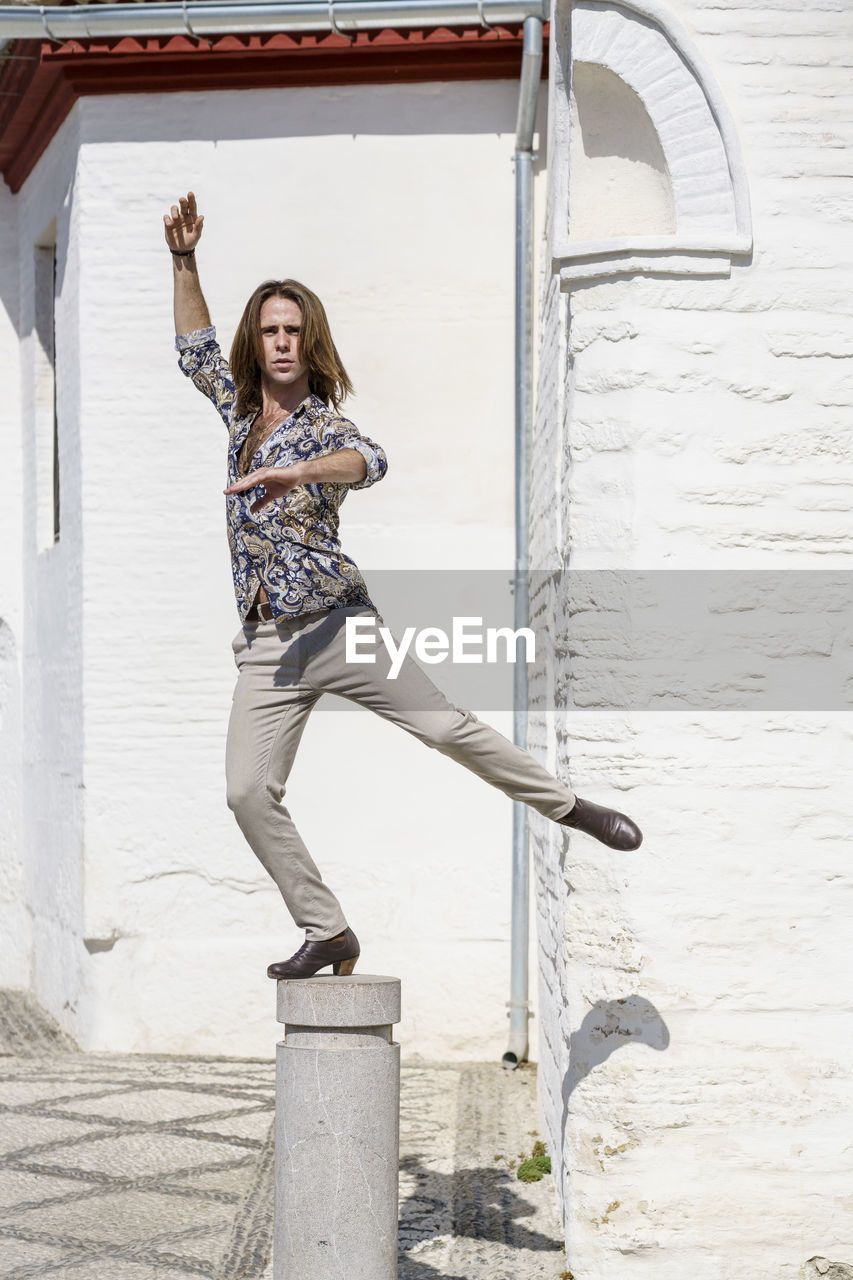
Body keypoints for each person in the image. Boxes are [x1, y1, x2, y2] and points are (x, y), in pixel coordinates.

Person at [164, 192, 642, 980]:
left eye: (293, 330)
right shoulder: (238, 409)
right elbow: (192, 351)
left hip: (338, 627)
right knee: (247, 793)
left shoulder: (322, 426)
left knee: (446, 728)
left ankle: (569, 807)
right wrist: (184, 261)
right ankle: (329, 931)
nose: (281, 342)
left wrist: (303, 470)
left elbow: (369, 461)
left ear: (310, 343)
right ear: (257, 341)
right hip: (267, 648)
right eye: (270, 330)